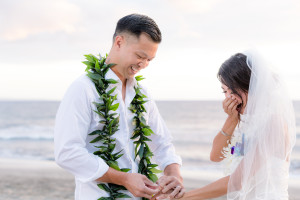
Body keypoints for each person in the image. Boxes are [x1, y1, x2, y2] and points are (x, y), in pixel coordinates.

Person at [54, 14, 184, 200]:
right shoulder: (83, 89)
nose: (144, 64)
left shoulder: (143, 94)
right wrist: (124, 179)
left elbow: (162, 142)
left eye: (150, 60)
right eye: (140, 56)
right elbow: (67, 153)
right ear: (119, 42)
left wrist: (174, 175)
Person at [178, 52, 296, 200]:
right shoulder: (247, 124)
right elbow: (216, 156)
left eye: (232, 91)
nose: (228, 97)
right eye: (224, 91)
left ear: (252, 86)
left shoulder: (274, 122)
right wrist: (231, 119)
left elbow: (238, 181)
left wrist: (183, 197)